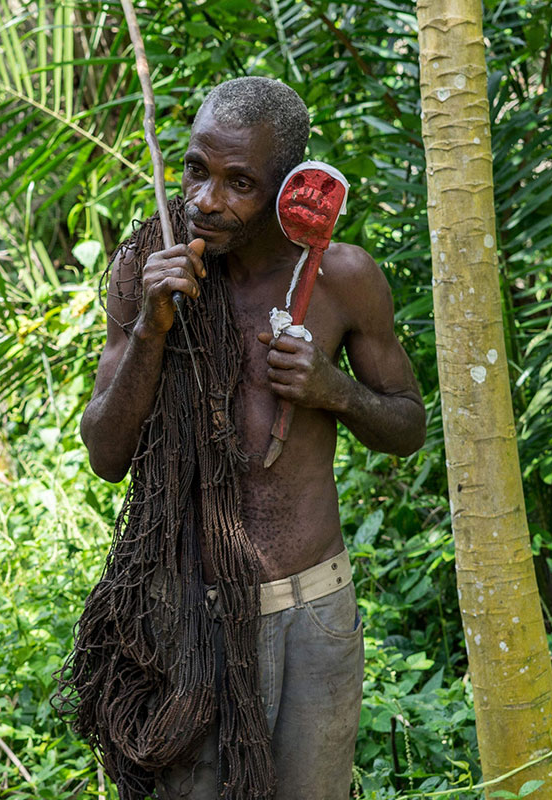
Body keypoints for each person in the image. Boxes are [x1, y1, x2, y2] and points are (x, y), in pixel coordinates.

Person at [57, 77, 425, 800]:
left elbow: (407, 423)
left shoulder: (342, 279)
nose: (205, 200)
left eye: (239, 183)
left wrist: (333, 390)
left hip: (312, 612)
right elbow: (105, 454)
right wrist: (150, 332)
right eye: (197, 169)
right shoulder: (145, 267)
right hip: (181, 614)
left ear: (289, 187)